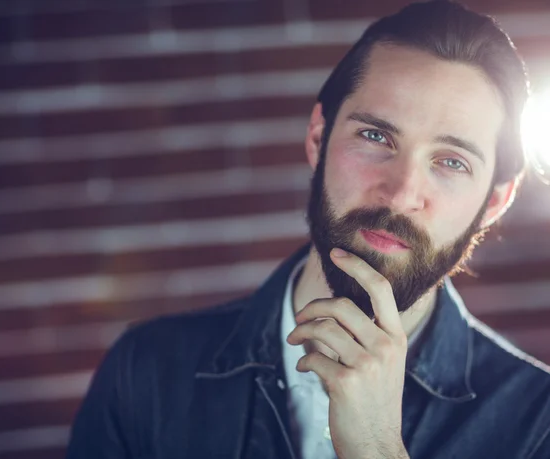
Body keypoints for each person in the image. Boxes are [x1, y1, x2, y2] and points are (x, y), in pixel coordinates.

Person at [66, 1, 550, 458]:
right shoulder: (143, 373)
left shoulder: (538, 422)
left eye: (450, 161)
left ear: (494, 201)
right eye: (375, 136)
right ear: (318, 140)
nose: (401, 193)